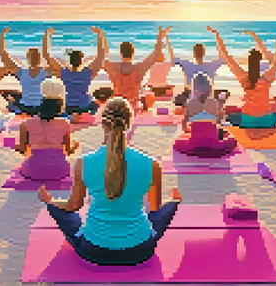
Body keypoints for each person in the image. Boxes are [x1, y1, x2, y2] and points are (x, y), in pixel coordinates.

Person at [37, 97, 182, 265]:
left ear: (103, 124)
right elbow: (154, 209)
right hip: (140, 250)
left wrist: (51, 201)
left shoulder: (82, 162)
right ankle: (175, 201)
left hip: (93, 250)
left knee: (64, 214)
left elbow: (73, 206)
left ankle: (49, 202)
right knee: (169, 207)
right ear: (129, 123)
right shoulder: (152, 165)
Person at [212, 26, 276, 129]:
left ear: (248, 61)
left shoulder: (243, 77)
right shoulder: (268, 77)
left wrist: (217, 35)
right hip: (266, 121)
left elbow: (226, 56)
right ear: (260, 62)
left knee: (229, 114)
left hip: (248, 121)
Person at [14, 77, 80, 180]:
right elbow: (68, 151)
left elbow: (22, 150)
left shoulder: (25, 124)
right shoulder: (65, 123)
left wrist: (17, 145)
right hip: (60, 170)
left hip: (33, 170)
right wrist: (75, 145)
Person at [42, 27, 105, 123]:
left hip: (68, 107)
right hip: (85, 107)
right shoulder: (88, 73)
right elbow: (101, 55)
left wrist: (47, 36)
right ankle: (81, 116)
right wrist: (99, 35)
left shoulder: (63, 72)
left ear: (70, 61)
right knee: (96, 103)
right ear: (81, 61)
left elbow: (47, 55)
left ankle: (72, 116)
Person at [103, 27, 167, 111]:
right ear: (133, 53)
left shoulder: (113, 67)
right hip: (133, 107)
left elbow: (101, 57)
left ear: (121, 53)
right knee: (149, 96)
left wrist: (101, 37)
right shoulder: (139, 68)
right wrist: (160, 38)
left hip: (117, 106)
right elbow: (155, 55)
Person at [175, 74, 236, 158]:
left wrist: (190, 129)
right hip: (214, 144)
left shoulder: (191, 103)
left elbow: (184, 126)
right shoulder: (214, 102)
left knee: (178, 142)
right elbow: (220, 119)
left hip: (194, 144)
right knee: (230, 139)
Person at [0, 30, 48, 116]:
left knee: (5, 92)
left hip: (25, 107)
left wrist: (1, 36)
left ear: (28, 59)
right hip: (41, 107)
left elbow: (4, 56)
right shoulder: (45, 72)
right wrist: (46, 37)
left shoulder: (22, 72)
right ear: (39, 59)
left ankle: (15, 108)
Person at [172, 43, 227, 107]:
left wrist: (165, 38)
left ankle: (186, 104)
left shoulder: (187, 64)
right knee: (224, 93)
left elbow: (172, 59)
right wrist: (217, 38)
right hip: (207, 95)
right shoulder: (211, 65)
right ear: (204, 53)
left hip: (190, 94)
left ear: (194, 54)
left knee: (178, 98)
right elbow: (223, 57)